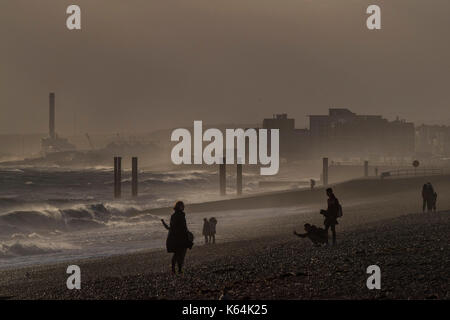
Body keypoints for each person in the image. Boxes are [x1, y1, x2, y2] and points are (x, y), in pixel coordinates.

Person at [161, 201, 193, 274]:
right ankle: (178, 269)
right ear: (179, 206)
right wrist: (187, 234)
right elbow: (182, 227)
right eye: (182, 206)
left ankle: (175, 269)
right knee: (180, 253)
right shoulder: (180, 215)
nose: (183, 207)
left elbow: (172, 227)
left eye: (183, 205)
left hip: (175, 236)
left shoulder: (174, 215)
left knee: (177, 253)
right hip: (180, 236)